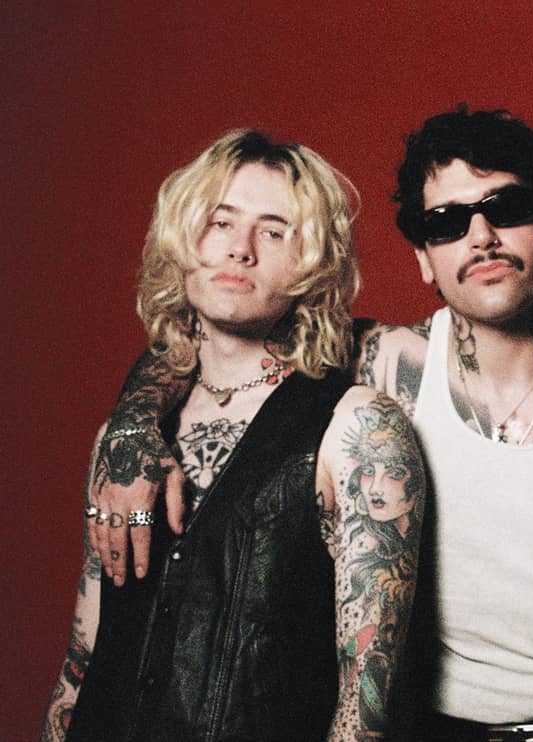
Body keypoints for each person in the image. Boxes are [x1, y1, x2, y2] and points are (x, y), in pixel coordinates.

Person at [83, 107, 533, 741]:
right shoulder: (379, 363)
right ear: (425, 259)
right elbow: (207, 342)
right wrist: (132, 430)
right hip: (431, 730)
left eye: (507, 208)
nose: (481, 237)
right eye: (447, 222)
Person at [41, 131, 426, 741]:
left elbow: (365, 706)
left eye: (274, 232)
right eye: (220, 222)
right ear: (184, 237)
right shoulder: (126, 441)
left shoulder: (357, 429)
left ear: (312, 263)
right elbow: (86, 653)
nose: (239, 250)